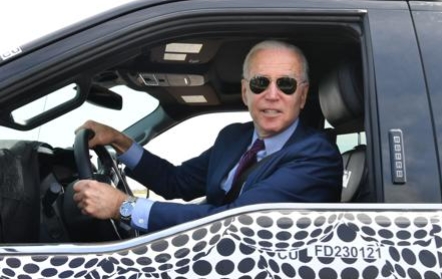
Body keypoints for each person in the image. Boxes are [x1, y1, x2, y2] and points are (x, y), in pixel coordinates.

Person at [73, 40, 343, 232]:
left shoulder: (318, 157)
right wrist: (119, 140)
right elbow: (175, 182)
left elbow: (234, 222)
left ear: (303, 95)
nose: (272, 94)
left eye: (286, 84)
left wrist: (124, 207)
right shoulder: (234, 138)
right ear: (246, 92)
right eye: (260, 82)